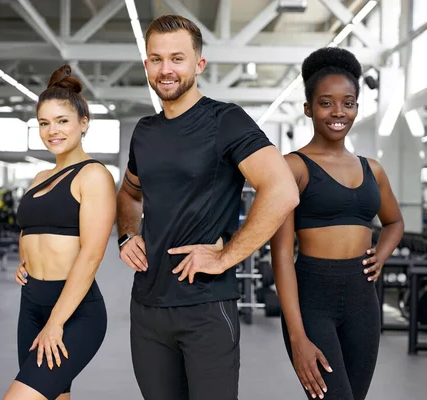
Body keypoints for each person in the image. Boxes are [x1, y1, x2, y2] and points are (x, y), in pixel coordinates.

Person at [116, 14, 299, 400]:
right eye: (157, 59)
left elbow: (282, 189)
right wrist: (127, 233)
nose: (166, 69)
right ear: (147, 63)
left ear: (199, 64)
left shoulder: (224, 120)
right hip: (147, 307)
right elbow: (129, 193)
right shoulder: (144, 132)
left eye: (177, 58)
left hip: (205, 307)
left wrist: (226, 256)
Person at [271, 47, 404, 400]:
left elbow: (394, 223)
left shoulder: (372, 169)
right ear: (308, 108)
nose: (338, 112)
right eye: (326, 103)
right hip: (313, 295)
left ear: (358, 107)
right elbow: (282, 255)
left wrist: (382, 255)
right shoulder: (292, 167)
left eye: (348, 102)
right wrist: (298, 338)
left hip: (363, 298)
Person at [7, 65, 115, 400]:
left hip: (73, 312)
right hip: (31, 305)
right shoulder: (39, 177)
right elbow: (31, 228)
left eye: (62, 120)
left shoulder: (93, 175)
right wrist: (25, 259)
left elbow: (92, 253)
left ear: (83, 123)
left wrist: (56, 322)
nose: (52, 130)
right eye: (44, 122)